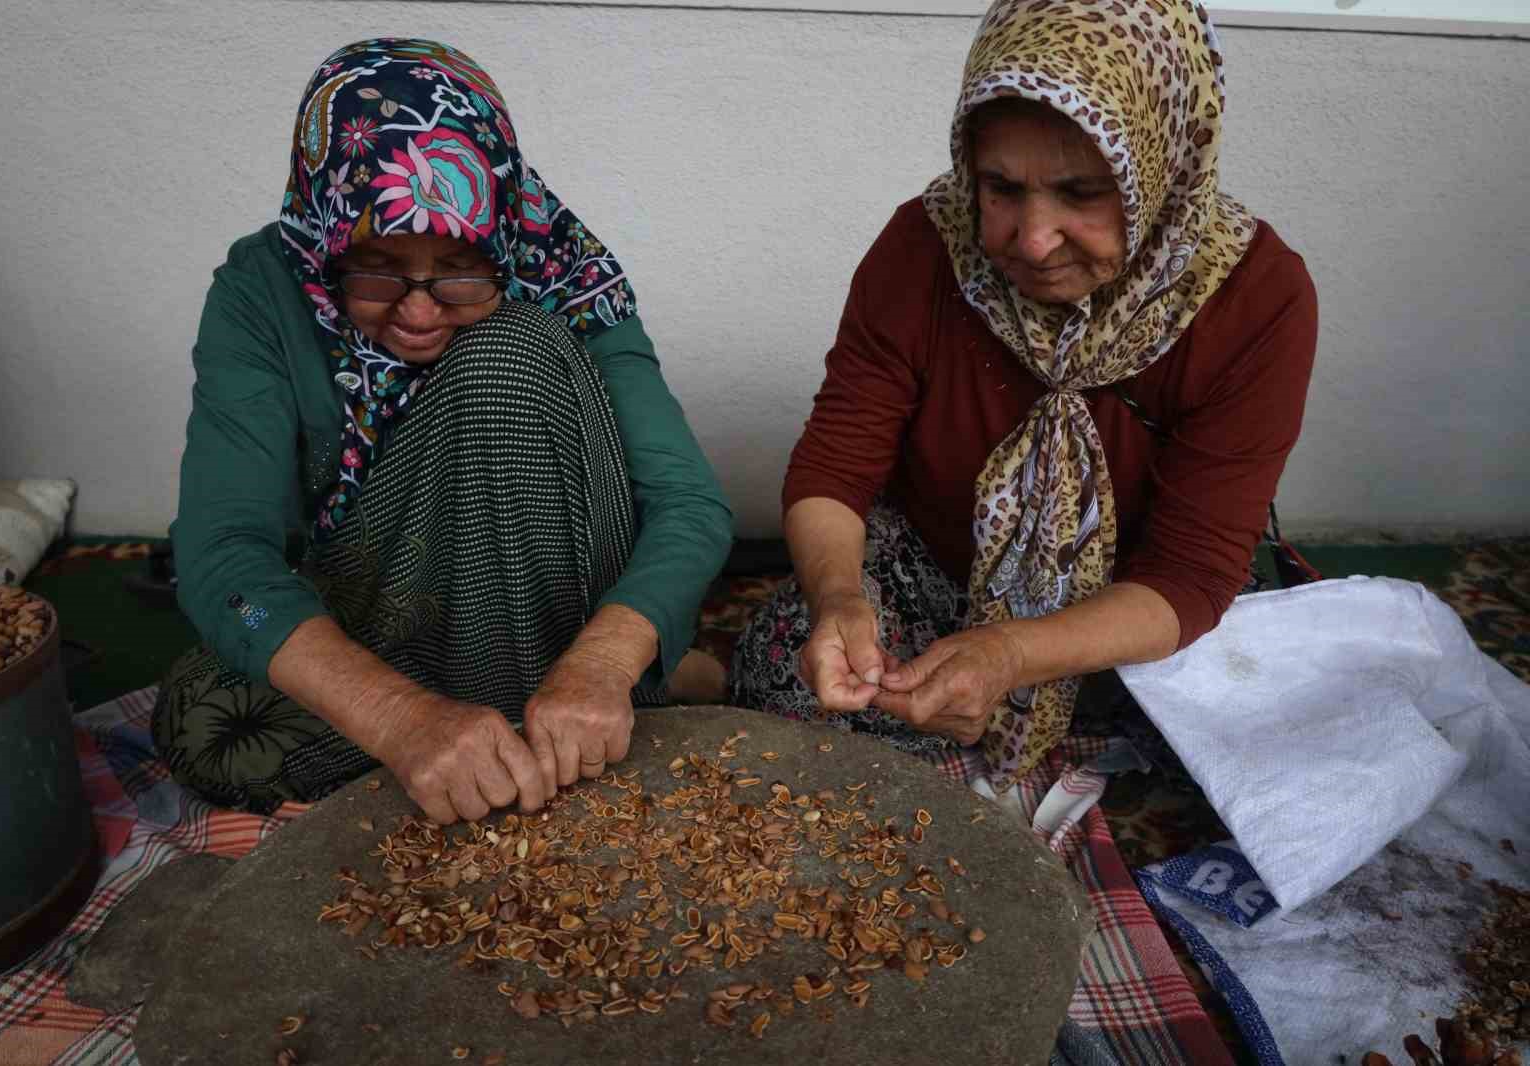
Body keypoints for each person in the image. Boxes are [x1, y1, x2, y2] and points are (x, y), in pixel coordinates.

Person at [732, 0, 1317, 793]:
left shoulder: (1254, 297)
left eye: (1081, 193)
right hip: (939, 578)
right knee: (789, 671)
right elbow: (835, 469)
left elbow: (1188, 575)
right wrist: (841, 599)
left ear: (1162, 168)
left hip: (1130, 608)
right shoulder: (926, 248)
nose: (1032, 240)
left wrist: (1010, 653)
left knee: (1264, 748)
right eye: (1001, 188)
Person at [154, 39, 732, 823]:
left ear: (499, 234)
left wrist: (602, 662)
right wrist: (400, 719)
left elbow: (690, 504)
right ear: (331, 234)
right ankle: (546, 717)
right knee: (206, 730)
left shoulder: (562, 269)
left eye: (461, 268)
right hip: (382, 607)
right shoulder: (261, 292)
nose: (420, 311)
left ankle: (584, 694)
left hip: (554, 602)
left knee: (507, 354)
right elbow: (221, 552)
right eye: (378, 266)